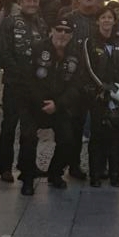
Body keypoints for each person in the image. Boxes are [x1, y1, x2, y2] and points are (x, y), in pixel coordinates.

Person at [19, 15, 81, 196]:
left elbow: (77, 85)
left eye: (67, 31)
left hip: (59, 105)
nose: (62, 34)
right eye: (59, 30)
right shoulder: (37, 48)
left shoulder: (75, 54)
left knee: (68, 139)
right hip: (33, 104)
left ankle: (55, 173)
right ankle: (28, 178)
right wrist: (41, 102)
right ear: (52, 30)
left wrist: (58, 104)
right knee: (28, 138)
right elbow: (27, 79)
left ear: (71, 35)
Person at [0, 0, 48, 184]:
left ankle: (27, 165)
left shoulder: (41, 23)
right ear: (21, 1)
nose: (32, 4)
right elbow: (4, 52)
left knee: (30, 128)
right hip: (14, 83)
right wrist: (18, 73)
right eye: (29, 1)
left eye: (35, 1)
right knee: (9, 126)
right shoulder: (9, 22)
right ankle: (5, 167)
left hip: (34, 86)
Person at [83, 6, 119, 187]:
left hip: (117, 96)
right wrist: (103, 88)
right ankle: (95, 173)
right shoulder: (90, 41)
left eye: (109, 17)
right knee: (97, 135)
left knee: (115, 136)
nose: (106, 21)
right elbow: (89, 67)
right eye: (103, 17)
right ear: (98, 21)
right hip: (98, 95)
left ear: (114, 20)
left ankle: (115, 174)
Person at [63, 0, 101, 179]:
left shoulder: (102, 18)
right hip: (74, 82)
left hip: (98, 83)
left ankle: (97, 168)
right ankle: (74, 165)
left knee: (98, 128)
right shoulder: (68, 20)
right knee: (74, 129)